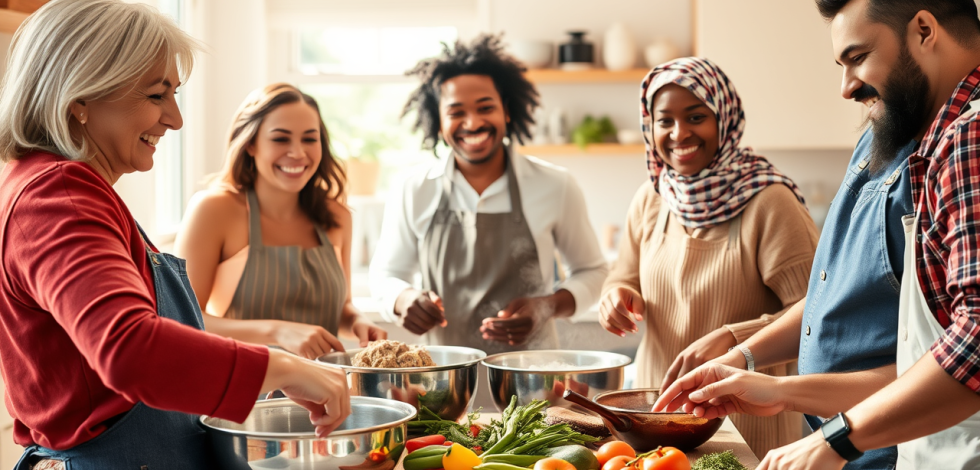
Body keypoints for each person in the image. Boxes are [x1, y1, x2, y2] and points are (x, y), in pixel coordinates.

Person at [0, 0, 350, 470]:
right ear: (80, 99)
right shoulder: (57, 197)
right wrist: (282, 366)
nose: (176, 119)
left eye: (174, 95)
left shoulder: (65, 187)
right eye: (155, 95)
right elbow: (128, 348)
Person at [656, 0, 980, 470]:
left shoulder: (970, 137)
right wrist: (753, 362)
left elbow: (974, 344)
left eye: (859, 56)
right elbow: (842, 295)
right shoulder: (905, 135)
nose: (847, 86)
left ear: (924, 30)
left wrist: (835, 439)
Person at [597, 57, 816, 457]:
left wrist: (735, 337)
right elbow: (621, 276)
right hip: (655, 416)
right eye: (664, 121)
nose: (679, 133)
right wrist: (615, 295)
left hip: (746, 421)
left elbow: (820, 311)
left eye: (696, 117)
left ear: (725, 119)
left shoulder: (769, 202)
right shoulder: (653, 196)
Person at [369, 34, 608, 355]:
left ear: (506, 111)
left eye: (486, 107)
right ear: (439, 123)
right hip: (445, 381)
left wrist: (547, 306)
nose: (473, 122)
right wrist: (403, 299)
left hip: (532, 376)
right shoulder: (414, 189)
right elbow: (386, 275)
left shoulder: (555, 185)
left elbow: (594, 271)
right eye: (456, 112)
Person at [175, 83, 386, 359]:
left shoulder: (337, 217)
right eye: (280, 139)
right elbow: (182, 318)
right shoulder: (214, 210)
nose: (298, 153)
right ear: (250, 144)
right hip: (244, 391)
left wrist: (357, 321)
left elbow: (342, 308)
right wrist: (278, 332)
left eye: (310, 139)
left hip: (325, 390)